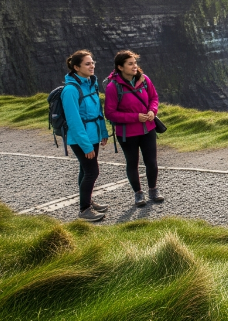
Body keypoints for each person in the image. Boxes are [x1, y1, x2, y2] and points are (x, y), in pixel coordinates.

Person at [104, 50, 164, 207]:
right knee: (132, 163)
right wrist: (135, 117)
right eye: (130, 64)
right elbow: (110, 113)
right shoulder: (113, 87)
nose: (134, 66)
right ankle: (138, 194)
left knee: (152, 162)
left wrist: (152, 111)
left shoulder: (144, 80)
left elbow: (154, 98)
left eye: (135, 63)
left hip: (147, 129)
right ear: (120, 67)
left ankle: (153, 190)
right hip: (127, 133)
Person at [62, 50, 110, 222]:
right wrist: (86, 145)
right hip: (81, 139)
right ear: (76, 67)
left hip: (93, 134)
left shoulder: (91, 83)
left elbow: (98, 111)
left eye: (93, 62)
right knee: (92, 171)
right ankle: (84, 210)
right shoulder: (70, 90)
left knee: (85, 169)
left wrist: (103, 132)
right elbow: (74, 121)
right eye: (87, 64)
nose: (92, 66)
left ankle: (87, 201)